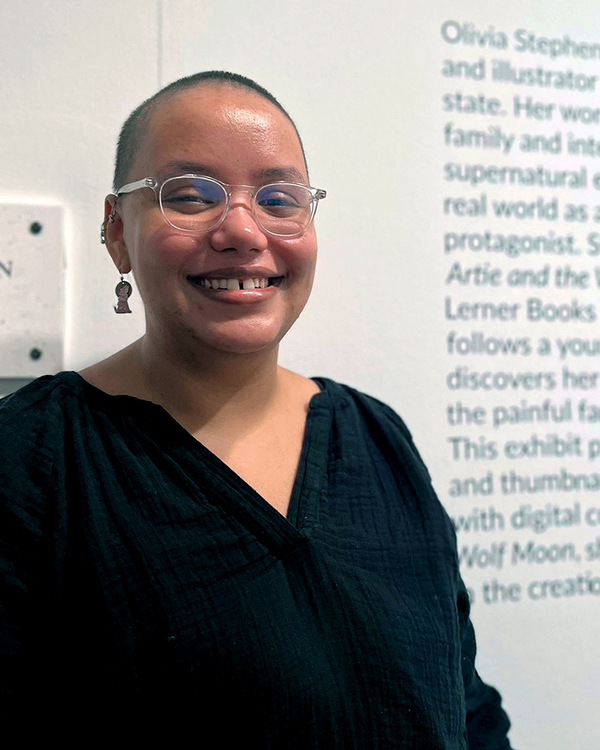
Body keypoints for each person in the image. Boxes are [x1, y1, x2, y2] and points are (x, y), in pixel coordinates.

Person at [0, 71, 512, 748]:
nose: (242, 230)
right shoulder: (34, 461)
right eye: (190, 195)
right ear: (117, 231)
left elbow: (465, 704)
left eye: (278, 199)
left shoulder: (376, 435)